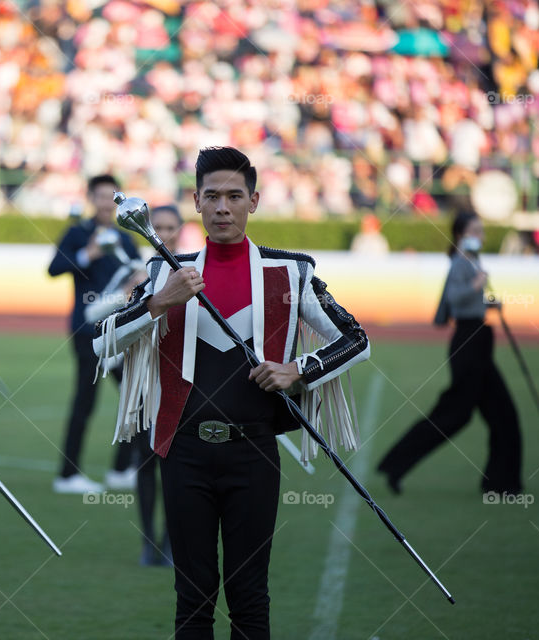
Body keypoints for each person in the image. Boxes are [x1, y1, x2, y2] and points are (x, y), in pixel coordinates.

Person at [94, 147, 370, 639]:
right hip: (185, 454)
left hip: (254, 454)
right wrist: (159, 302)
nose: (223, 207)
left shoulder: (291, 273)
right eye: (212, 196)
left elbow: (355, 339)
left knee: (249, 600)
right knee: (193, 602)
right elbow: (103, 339)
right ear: (196, 202)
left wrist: (297, 369)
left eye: (234, 196)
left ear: (254, 201)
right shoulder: (166, 270)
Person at [377, 213, 522, 496]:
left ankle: (502, 483)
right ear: (460, 234)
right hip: (470, 344)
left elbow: (459, 302)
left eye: (482, 230)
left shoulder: (468, 260)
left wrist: (488, 303)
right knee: (456, 415)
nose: (480, 235)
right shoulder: (462, 261)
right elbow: (456, 299)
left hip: (477, 342)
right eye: (475, 230)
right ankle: (395, 465)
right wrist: (478, 286)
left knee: (500, 415)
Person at [87, 203, 184, 566]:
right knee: (146, 460)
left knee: (179, 464)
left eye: (169, 227)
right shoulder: (135, 271)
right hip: (142, 379)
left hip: (182, 381)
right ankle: (149, 544)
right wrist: (127, 294)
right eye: (155, 225)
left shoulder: (194, 269)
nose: (161, 232)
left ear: (180, 229)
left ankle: (172, 542)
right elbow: (92, 315)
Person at [48, 174, 141, 494]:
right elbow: (54, 268)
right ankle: (67, 475)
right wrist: (88, 253)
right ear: (91, 198)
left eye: (110, 196)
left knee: (136, 395)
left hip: (119, 330)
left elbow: (137, 272)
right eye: (100, 196)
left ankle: (120, 469)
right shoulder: (78, 232)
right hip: (86, 329)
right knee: (85, 401)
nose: (105, 203)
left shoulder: (126, 236)